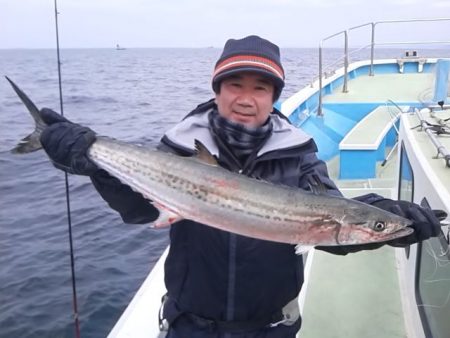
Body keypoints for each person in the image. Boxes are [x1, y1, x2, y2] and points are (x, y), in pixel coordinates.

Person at [38, 35, 442, 337]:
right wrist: (90, 161)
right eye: (236, 85)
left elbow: (331, 217)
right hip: (189, 324)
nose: (246, 98)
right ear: (217, 91)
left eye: (260, 87)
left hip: (270, 326)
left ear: (273, 97)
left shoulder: (298, 155)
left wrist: (388, 221)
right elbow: (139, 209)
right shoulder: (177, 148)